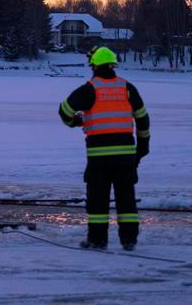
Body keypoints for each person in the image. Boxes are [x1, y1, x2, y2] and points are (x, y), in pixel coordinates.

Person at [58, 46, 150, 250]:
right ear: (112, 65)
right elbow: (143, 119)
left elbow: (64, 111)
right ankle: (129, 240)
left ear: (94, 66)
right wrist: (142, 147)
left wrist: (78, 122)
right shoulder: (127, 88)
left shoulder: (90, 89)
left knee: (98, 200)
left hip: (98, 158)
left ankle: (98, 240)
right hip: (126, 157)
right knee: (126, 199)